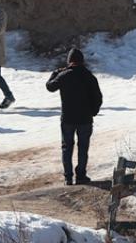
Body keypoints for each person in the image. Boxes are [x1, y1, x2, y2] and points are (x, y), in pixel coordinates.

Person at [45, 48, 103, 186]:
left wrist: (55, 73)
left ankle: (68, 177)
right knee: (83, 148)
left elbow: (50, 87)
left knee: (67, 148)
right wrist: (93, 112)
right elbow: (98, 98)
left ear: (69, 61)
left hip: (67, 119)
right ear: (82, 61)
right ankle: (81, 176)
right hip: (85, 119)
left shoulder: (64, 75)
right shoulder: (89, 76)